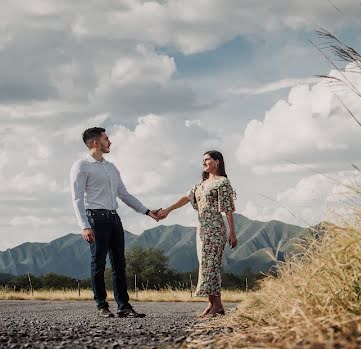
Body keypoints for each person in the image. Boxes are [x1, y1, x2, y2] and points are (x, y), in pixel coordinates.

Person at [71, 127, 161, 318]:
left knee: (120, 264)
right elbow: (77, 198)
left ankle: (123, 306)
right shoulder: (81, 166)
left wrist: (147, 211)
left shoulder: (111, 167)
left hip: (114, 219)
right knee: (99, 264)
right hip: (95, 219)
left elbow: (124, 194)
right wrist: (84, 225)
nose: (109, 142)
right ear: (95, 142)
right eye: (106, 138)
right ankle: (102, 306)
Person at [157, 150, 237, 317]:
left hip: (215, 230)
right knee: (205, 265)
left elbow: (228, 210)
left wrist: (232, 233)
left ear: (217, 162)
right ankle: (215, 304)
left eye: (207, 159)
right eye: (203, 160)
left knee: (211, 266)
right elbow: (186, 198)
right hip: (201, 230)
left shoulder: (222, 183)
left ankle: (215, 305)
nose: (204, 162)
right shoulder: (201, 185)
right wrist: (168, 210)